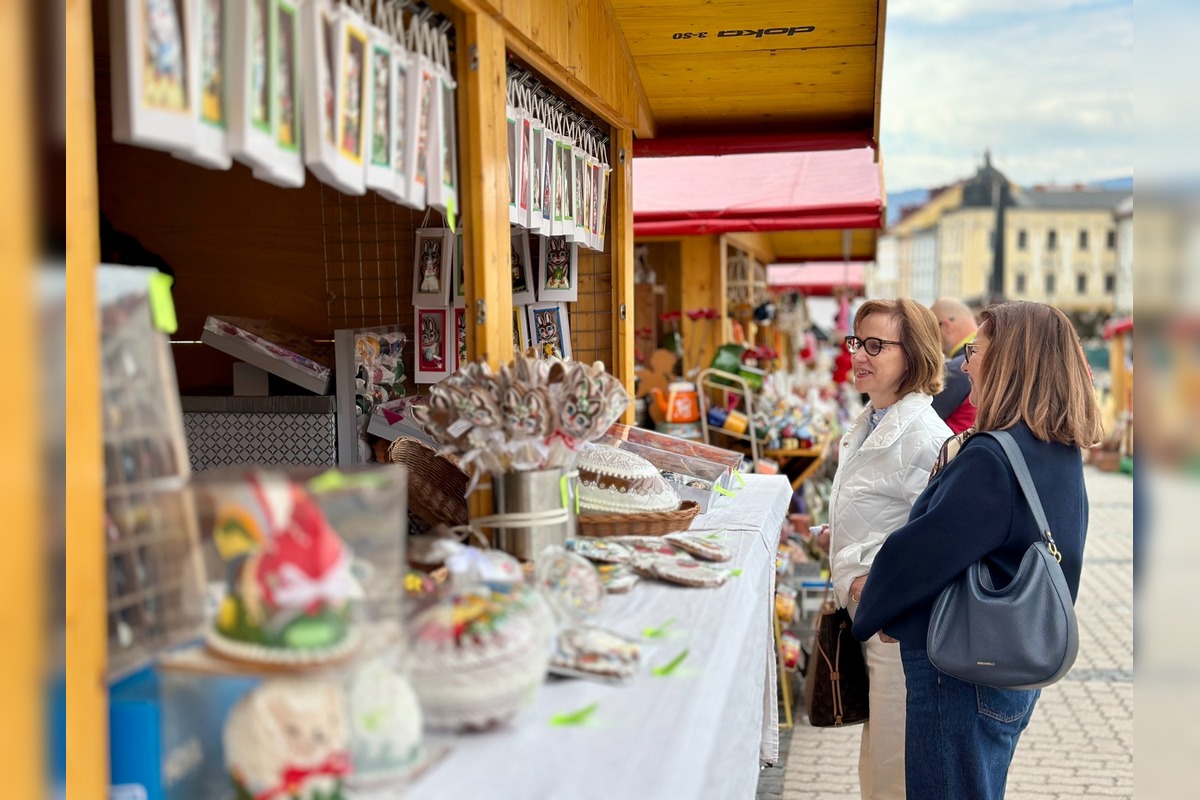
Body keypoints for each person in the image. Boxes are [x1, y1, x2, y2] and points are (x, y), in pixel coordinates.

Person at [851, 301, 1104, 800]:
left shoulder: (992, 456)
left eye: (974, 350)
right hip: (1013, 659)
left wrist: (876, 604)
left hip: (962, 671)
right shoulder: (1055, 448)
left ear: (1010, 358)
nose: (964, 365)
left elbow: (921, 552)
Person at [810, 298, 951, 799]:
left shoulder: (926, 436)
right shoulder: (870, 419)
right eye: (856, 341)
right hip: (871, 619)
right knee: (878, 759)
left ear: (912, 356)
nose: (860, 355)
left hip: (897, 630)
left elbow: (937, 540)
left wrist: (883, 587)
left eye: (876, 345)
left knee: (894, 770)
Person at [929, 297, 978, 433]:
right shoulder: (1000, 359)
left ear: (945, 325)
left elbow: (915, 421)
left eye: (930, 330)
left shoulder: (956, 370)